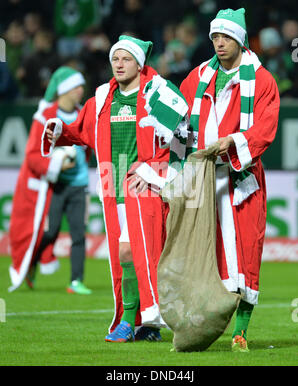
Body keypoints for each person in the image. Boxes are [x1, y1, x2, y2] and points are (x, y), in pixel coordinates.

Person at [42, 35, 188, 342]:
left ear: (139, 63)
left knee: (134, 251)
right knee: (126, 254)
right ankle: (144, 323)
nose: (119, 65)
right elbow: (83, 132)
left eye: (126, 59)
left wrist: (157, 170)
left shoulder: (154, 94)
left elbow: (181, 128)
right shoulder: (102, 100)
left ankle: (132, 319)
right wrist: (61, 132)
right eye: (115, 59)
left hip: (145, 186)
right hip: (113, 188)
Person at [179, 8, 280, 352]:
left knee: (246, 253)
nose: (219, 43)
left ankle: (241, 332)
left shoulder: (262, 80)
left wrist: (233, 142)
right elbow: (180, 123)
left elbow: (264, 130)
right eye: (215, 37)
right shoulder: (196, 77)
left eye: (226, 37)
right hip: (203, 180)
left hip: (242, 178)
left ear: (239, 39)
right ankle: (199, 328)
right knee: (202, 256)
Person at [9, 66, 92, 295]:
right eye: (76, 86)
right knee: (51, 231)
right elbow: (34, 154)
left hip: (80, 184)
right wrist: (58, 163)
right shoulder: (46, 116)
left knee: (78, 233)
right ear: (64, 90)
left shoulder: (83, 113)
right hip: (56, 186)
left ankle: (76, 281)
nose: (80, 90)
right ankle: (32, 262)